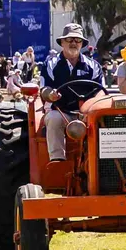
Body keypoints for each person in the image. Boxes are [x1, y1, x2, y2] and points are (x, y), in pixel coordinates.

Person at [40, 23, 102, 162]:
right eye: (69, 40)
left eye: (77, 40)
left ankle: (100, 162)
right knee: (53, 119)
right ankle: (57, 161)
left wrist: (89, 110)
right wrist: (50, 95)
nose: (74, 43)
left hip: (87, 114)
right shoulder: (51, 64)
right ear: (62, 42)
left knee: (103, 121)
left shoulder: (93, 66)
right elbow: (44, 89)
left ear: (82, 44)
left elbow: (100, 92)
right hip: (61, 111)